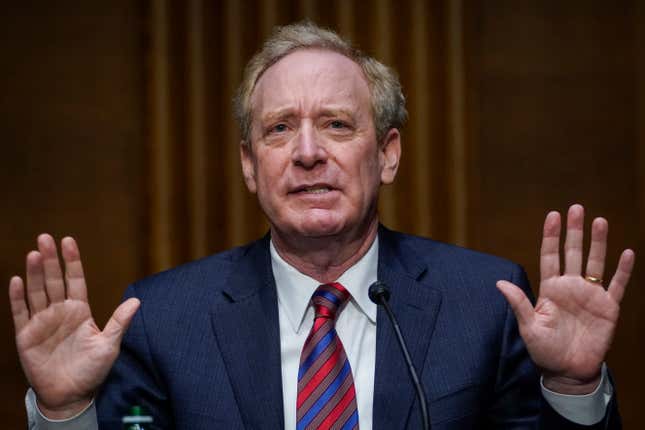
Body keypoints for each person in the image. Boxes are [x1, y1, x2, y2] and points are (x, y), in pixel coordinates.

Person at [10, 22, 635, 429]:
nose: (308, 152)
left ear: (388, 153)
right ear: (251, 166)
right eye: (280, 129)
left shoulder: (487, 305)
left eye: (337, 124)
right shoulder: (166, 320)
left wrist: (571, 387)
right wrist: (66, 412)